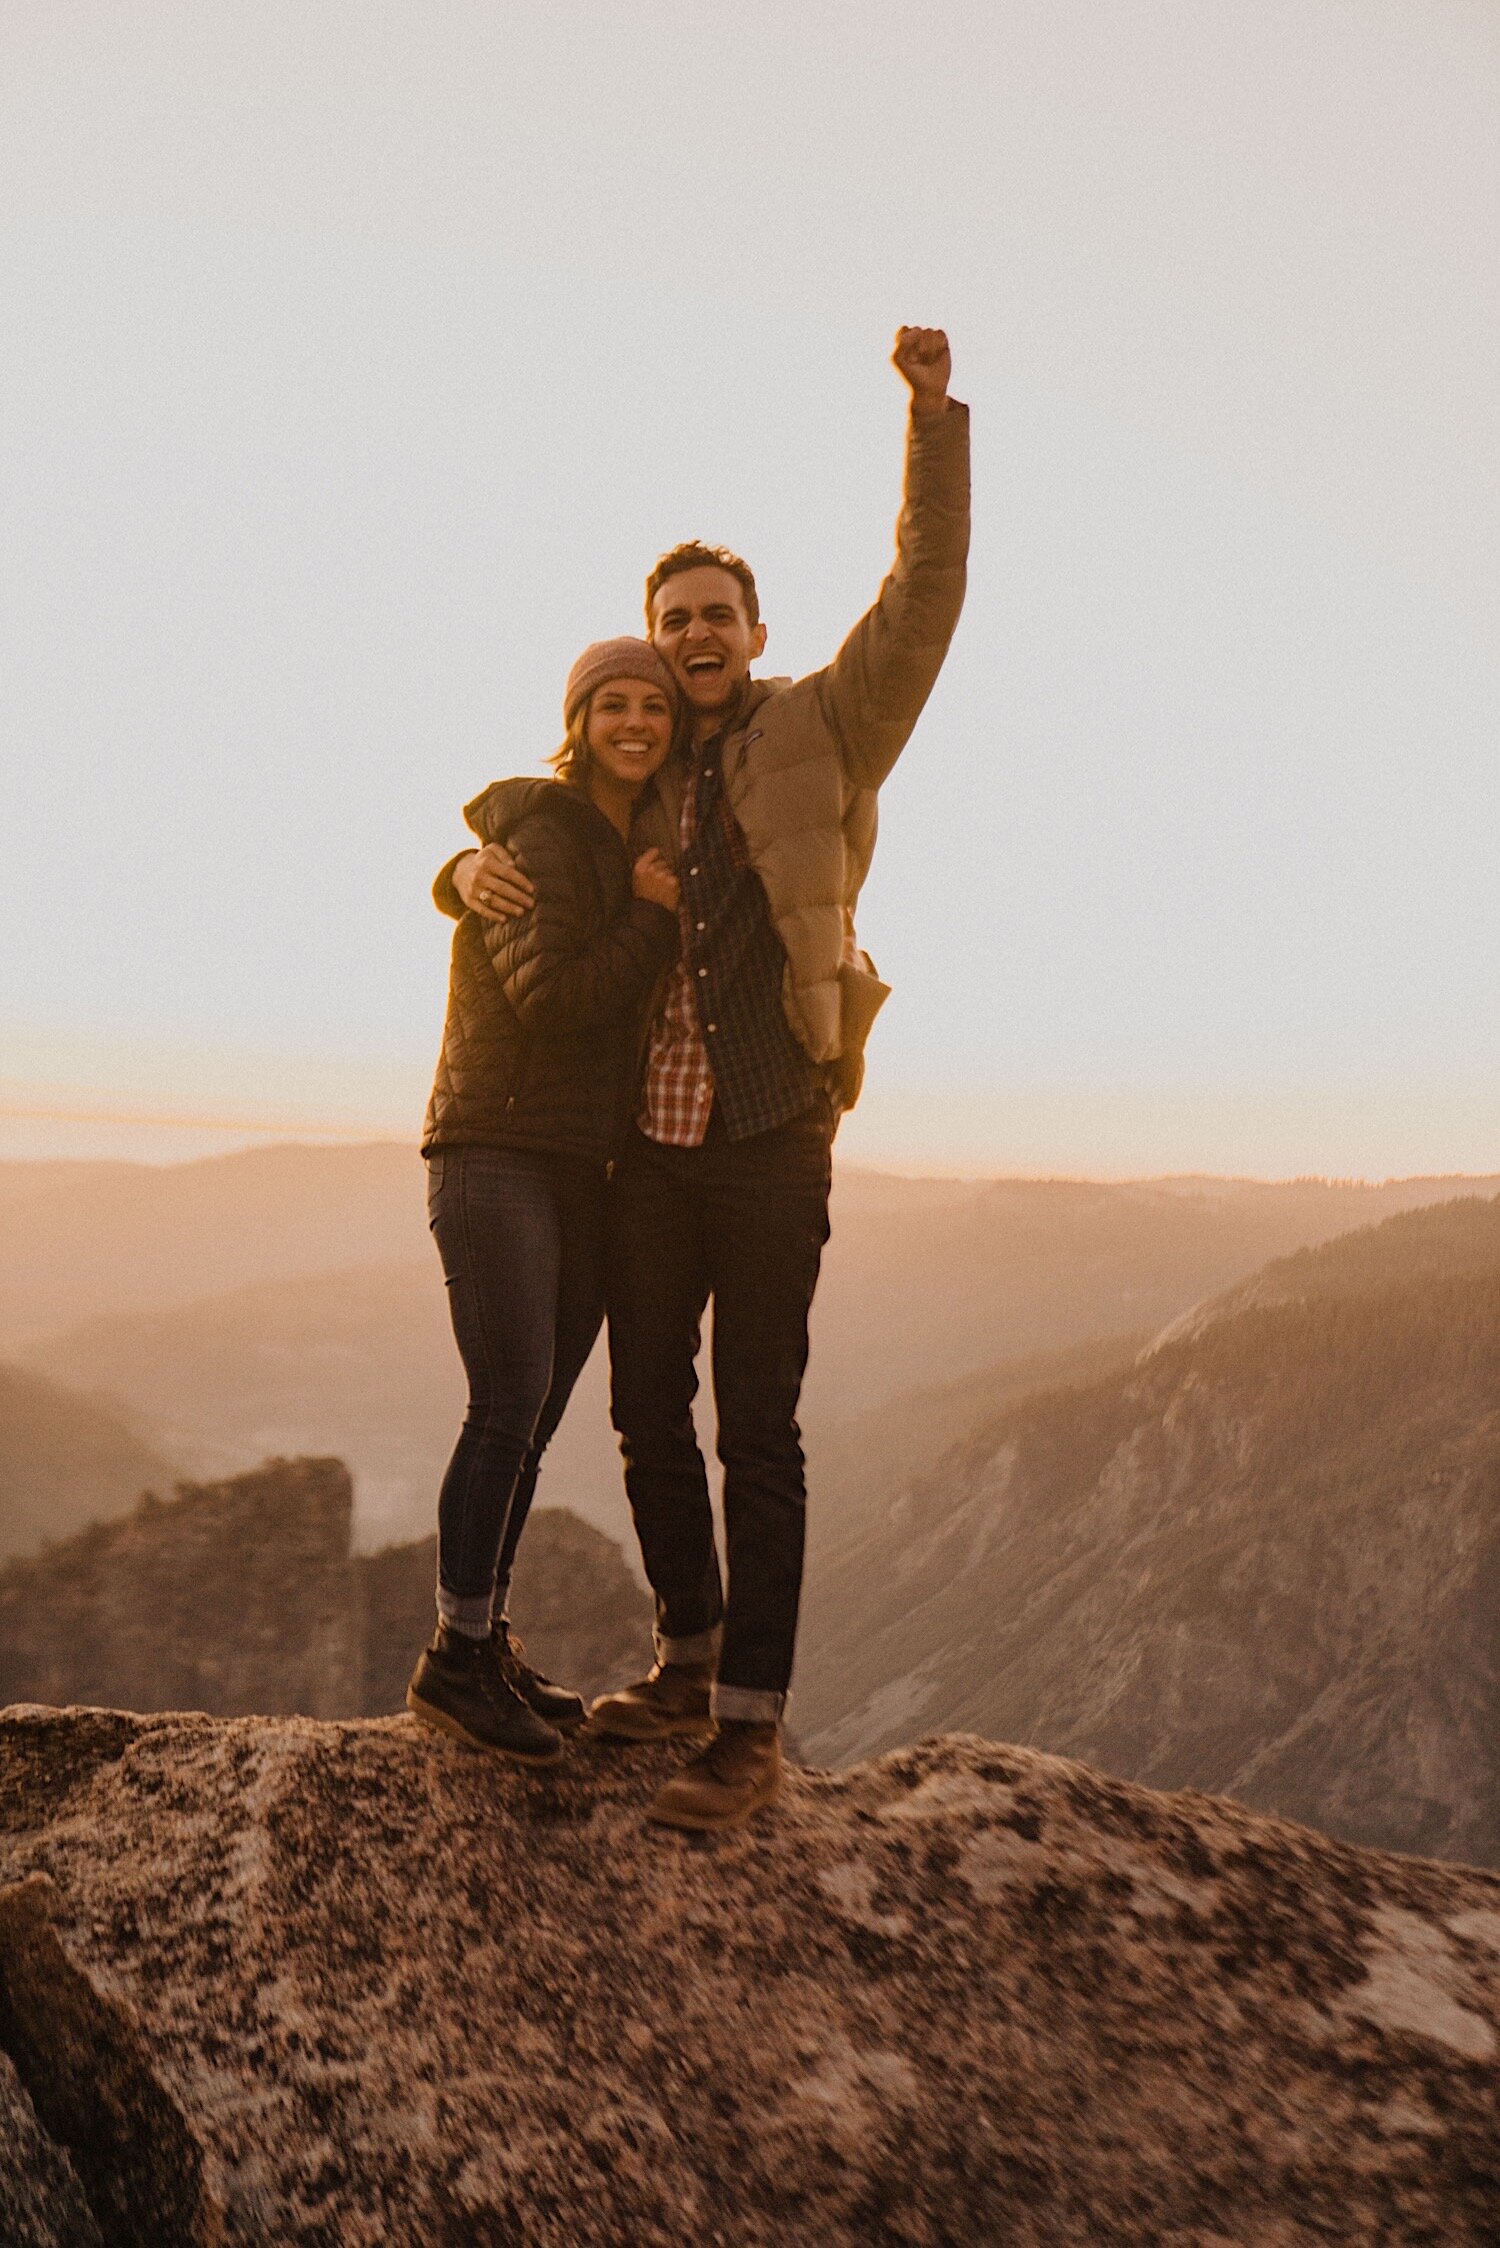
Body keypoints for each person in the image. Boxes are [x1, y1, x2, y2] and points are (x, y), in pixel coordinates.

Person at [442, 327, 969, 1826]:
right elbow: (521, 840)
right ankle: (687, 1658)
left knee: (759, 1424)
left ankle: (746, 1728)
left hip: (771, 1129)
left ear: (755, 625)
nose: (694, 635)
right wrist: (456, 867)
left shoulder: (822, 728)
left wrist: (930, 424)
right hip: (644, 1149)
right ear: (649, 640)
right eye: (672, 618)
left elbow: (923, 600)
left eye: (716, 614)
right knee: (646, 1412)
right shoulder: (629, 767)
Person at [407, 638, 684, 1765]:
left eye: (650, 705)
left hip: (573, 1164)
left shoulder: (629, 839)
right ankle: (455, 1658)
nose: (634, 721)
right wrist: (652, 916)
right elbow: (550, 994)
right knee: (507, 1397)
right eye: (611, 703)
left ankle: (482, 1638)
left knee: (532, 1413)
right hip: (496, 1150)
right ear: (579, 719)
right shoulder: (553, 832)